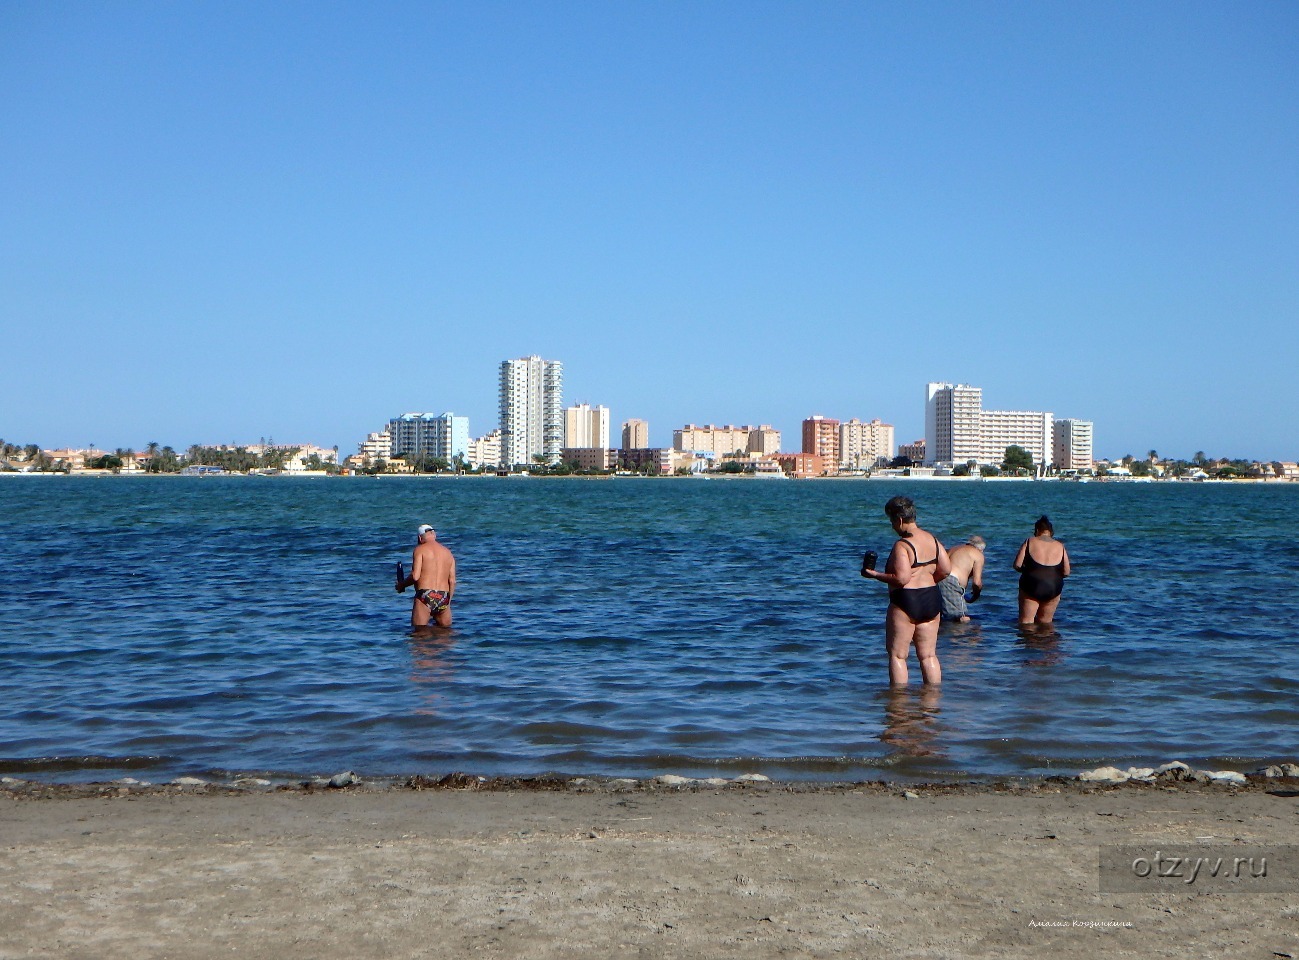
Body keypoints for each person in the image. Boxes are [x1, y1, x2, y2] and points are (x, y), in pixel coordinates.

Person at [860, 496, 952, 685]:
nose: (893, 527)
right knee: (928, 656)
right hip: (931, 598)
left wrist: (874, 574)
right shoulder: (933, 540)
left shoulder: (902, 545)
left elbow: (902, 578)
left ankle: (898, 706)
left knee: (898, 656)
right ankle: (931, 705)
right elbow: (946, 569)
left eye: (892, 522)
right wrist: (927, 580)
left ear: (899, 520)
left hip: (907, 600)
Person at [1012, 516, 1070, 625]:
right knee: (1046, 624)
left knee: (1026, 623)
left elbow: (1017, 565)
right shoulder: (1060, 546)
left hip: (1032, 585)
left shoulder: (1029, 541)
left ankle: (1028, 641)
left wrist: (1028, 571)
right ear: (1051, 532)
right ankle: (1046, 640)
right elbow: (1066, 572)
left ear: (1037, 530)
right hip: (1053, 587)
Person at [396, 523, 457, 628]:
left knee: (419, 635)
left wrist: (402, 585)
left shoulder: (420, 549)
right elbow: (452, 581)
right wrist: (447, 602)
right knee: (446, 636)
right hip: (443, 597)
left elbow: (415, 576)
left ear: (420, 538)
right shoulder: (448, 553)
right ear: (435, 535)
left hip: (425, 595)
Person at [939, 536, 986, 622]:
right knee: (962, 618)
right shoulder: (978, 554)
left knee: (941, 617)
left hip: (937, 579)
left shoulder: (954, 549)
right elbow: (977, 582)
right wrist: (976, 595)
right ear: (981, 549)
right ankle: (961, 635)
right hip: (951, 582)